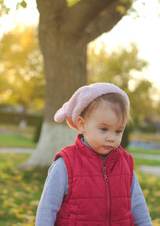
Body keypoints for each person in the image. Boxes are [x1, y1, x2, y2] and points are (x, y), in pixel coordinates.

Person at [35, 82, 152, 226]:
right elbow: (47, 208)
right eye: (104, 129)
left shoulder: (125, 163)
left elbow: (139, 207)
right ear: (82, 124)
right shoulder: (66, 163)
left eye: (118, 131)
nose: (111, 137)